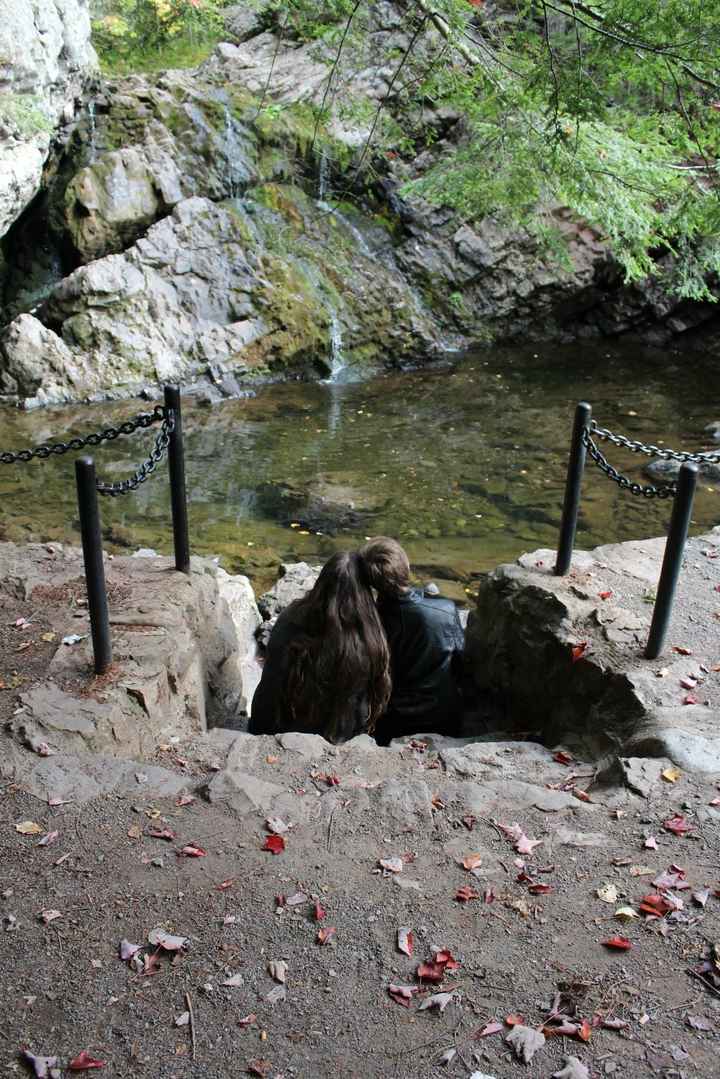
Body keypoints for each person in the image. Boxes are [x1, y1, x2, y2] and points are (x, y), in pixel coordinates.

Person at [249, 550, 391, 743]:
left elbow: (272, 684)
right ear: (364, 589)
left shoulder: (290, 618)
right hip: (338, 733)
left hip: (276, 725)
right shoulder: (371, 637)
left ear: (321, 582)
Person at [358, 537, 465, 745]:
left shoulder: (370, 622)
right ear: (406, 566)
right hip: (444, 717)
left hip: (392, 722)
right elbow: (461, 665)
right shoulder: (445, 609)